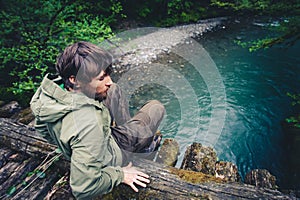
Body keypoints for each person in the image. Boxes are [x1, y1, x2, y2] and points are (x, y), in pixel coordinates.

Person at [30, 41, 165, 199]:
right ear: (75, 80)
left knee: (114, 90)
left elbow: (40, 127)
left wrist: (69, 146)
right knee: (155, 107)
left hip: (97, 138)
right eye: (101, 78)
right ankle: (132, 146)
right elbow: (84, 188)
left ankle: (125, 129)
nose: (109, 81)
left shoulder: (50, 92)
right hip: (112, 153)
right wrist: (120, 175)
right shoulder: (89, 123)